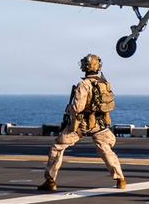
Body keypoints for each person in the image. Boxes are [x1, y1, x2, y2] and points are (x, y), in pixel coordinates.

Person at [37, 54, 125, 191]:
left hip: (82, 123)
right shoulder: (105, 83)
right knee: (106, 150)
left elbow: (78, 108)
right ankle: (120, 179)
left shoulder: (83, 85)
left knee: (58, 146)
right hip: (100, 122)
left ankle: (50, 180)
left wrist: (68, 109)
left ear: (84, 67)